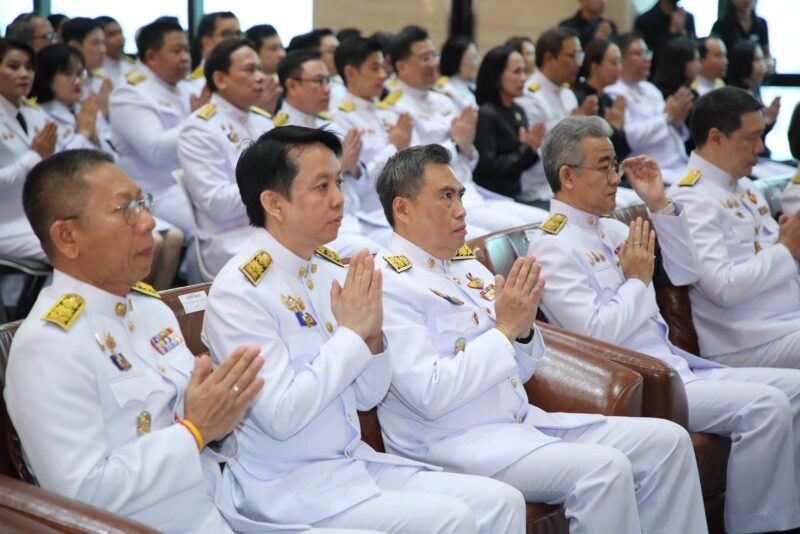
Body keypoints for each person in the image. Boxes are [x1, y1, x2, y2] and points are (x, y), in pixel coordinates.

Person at [202, 126, 527, 533]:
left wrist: (372, 340)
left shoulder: (327, 270)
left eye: (338, 183)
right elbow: (281, 416)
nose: (340, 199)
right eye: (322, 187)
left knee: (502, 503)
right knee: (453, 520)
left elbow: (368, 395)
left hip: (351, 465)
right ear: (274, 203)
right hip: (287, 488)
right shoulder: (239, 291)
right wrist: (353, 336)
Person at [374, 143, 707, 534]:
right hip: (454, 443)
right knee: (605, 469)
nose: (461, 210)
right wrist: (505, 330)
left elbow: (523, 368)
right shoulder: (389, 284)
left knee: (667, 441)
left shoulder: (465, 267)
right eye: (446, 196)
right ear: (403, 209)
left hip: (518, 423)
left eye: (461, 195)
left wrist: (524, 329)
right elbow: (430, 394)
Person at [528, 115, 800, 533]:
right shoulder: (551, 245)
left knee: (793, 388)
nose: (615, 178)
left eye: (615, 164)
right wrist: (637, 281)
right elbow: (596, 335)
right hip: (642, 380)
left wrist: (659, 205)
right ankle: (759, 527)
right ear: (567, 176)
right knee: (764, 405)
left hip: (675, 365)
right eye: (604, 167)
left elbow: (687, 272)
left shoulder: (613, 227)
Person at [7, 148, 289, 533]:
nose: (148, 222)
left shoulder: (149, 308)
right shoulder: (48, 346)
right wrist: (195, 431)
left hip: (223, 508)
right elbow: (81, 497)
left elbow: (203, 428)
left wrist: (221, 415)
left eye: (143, 203)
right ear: (68, 237)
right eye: (126, 209)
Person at [669, 87, 800, 369]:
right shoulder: (691, 197)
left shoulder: (744, 186)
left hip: (784, 322)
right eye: (751, 138)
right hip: (746, 340)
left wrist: (791, 246)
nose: (760, 148)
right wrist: (785, 248)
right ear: (716, 138)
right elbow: (723, 287)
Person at [389, 26, 547, 233]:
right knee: (514, 230)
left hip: (470, 190)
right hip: (438, 199)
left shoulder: (443, 100)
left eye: (434, 55)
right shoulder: (396, 108)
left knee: (544, 221)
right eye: (425, 58)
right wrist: (456, 144)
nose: (434, 63)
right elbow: (417, 167)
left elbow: (470, 160)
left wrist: (465, 146)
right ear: (402, 66)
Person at [178, 38, 274, 277]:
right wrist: (274, 188)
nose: (260, 77)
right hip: (230, 237)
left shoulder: (263, 121)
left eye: (260, 69)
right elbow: (215, 203)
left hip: (272, 228)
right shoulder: (199, 127)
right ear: (221, 79)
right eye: (250, 70)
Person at [273, 49, 379, 255]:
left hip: (355, 216)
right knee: (377, 254)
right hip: (314, 227)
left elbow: (361, 186)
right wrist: (340, 166)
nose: (327, 89)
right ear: (292, 86)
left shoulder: (330, 125)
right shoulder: (278, 132)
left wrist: (351, 167)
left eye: (328, 81)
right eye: (318, 81)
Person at [109, 19, 198, 240]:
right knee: (204, 230)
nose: (185, 57)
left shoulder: (188, 87)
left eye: (187, 49)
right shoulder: (130, 93)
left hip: (193, 184)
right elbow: (155, 151)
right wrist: (196, 122)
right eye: (177, 51)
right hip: (156, 192)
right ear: (151, 57)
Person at [330, 36, 415, 244]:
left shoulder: (391, 113)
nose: (383, 75)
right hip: (371, 217)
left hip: (409, 207)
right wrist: (393, 147)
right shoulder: (339, 120)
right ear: (351, 73)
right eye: (375, 68)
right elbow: (357, 187)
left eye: (383, 68)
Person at [514, 27, 597, 201]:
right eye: (573, 56)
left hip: (573, 183)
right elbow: (538, 156)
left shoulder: (568, 94)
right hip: (540, 187)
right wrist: (575, 129)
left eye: (580, 56)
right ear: (549, 58)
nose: (579, 64)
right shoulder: (530, 95)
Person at [604, 33, 693, 184]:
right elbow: (628, 138)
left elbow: (674, 132)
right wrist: (667, 118)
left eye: (647, 53)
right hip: (652, 172)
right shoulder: (613, 92)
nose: (646, 58)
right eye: (639, 54)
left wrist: (678, 122)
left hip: (680, 165)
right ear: (622, 59)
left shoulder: (651, 88)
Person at [0, 38, 57, 261]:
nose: (24, 74)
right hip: (6, 221)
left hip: (38, 213)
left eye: (29, 67)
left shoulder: (33, 111)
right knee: (75, 251)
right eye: (13, 67)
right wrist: (33, 157)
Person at [472, 46, 544, 199]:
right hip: (491, 195)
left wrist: (532, 148)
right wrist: (527, 149)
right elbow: (488, 167)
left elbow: (522, 163)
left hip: (516, 191)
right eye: (517, 72)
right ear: (497, 75)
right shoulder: (486, 114)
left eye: (524, 71)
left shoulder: (518, 110)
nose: (523, 78)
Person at [573, 38, 630, 161]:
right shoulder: (579, 98)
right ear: (595, 67)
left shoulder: (608, 99)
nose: (619, 68)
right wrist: (614, 127)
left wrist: (619, 129)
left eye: (620, 62)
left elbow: (623, 151)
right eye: (614, 62)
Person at [727, 40, 779, 157]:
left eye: (762, 59)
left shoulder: (754, 87)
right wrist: (764, 123)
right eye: (757, 60)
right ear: (743, 62)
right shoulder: (733, 95)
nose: (762, 64)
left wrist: (769, 121)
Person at [61, 17, 112, 119]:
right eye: (96, 43)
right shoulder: (63, 82)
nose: (103, 50)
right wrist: (103, 112)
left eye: (103, 43)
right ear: (74, 47)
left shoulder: (103, 80)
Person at [633, 0, 696, 74]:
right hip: (656, 76)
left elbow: (695, 52)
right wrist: (671, 32)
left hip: (684, 75)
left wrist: (683, 32)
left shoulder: (687, 17)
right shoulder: (645, 21)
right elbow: (649, 57)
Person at [187, 11, 240, 95]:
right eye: (227, 35)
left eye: (238, 34)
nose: (236, 40)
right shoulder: (192, 86)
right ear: (207, 42)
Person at [712, 0, 772, 73]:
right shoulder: (721, 25)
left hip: (755, 74)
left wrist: (769, 63)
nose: (746, 1)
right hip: (731, 73)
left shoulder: (761, 24)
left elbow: (766, 53)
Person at [245, 24, 285, 114]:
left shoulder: (285, 85)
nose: (282, 54)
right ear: (255, 53)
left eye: (282, 48)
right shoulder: (246, 89)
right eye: (273, 49)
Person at [435, 36, 478, 111]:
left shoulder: (472, 85)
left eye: (476, 57)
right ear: (458, 61)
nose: (477, 62)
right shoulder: (446, 89)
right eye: (473, 57)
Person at [652, 36, 699, 100]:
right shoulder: (658, 94)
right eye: (693, 60)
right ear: (680, 63)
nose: (698, 65)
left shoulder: (692, 91)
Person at [95, 16, 137, 82]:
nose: (120, 38)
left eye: (120, 32)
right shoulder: (93, 72)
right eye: (112, 34)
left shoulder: (134, 64)